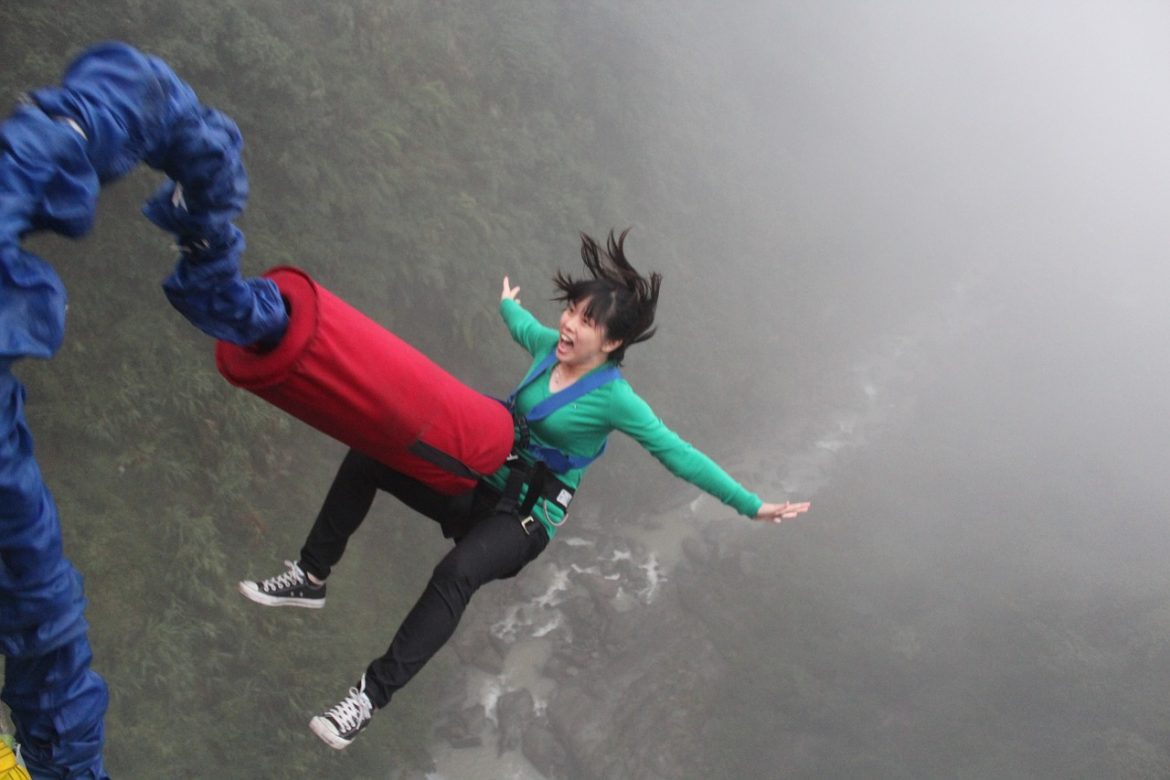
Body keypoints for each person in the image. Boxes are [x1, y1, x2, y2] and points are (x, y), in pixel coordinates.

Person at [237, 229, 811, 750]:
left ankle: (368, 698)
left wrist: (750, 504)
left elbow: (677, 453)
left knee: (456, 573)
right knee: (372, 454)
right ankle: (311, 576)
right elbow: (520, 325)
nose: (568, 324)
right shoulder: (546, 348)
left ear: (611, 343)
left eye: (586, 321)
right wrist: (508, 303)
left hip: (526, 521)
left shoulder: (615, 399)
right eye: (572, 312)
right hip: (478, 484)